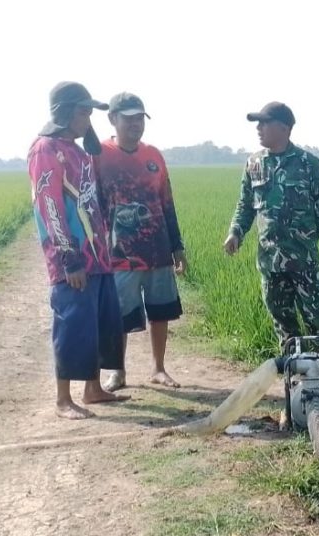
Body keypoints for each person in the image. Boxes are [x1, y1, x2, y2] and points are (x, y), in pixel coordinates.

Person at [27, 81, 131, 420]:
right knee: (72, 324)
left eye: (90, 112)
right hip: (73, 258)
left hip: (98, 255)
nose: (88, 118)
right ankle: (62, 399)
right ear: (66, 112)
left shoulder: (79, 151)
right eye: (83, 111)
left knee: (98, 324)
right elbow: (50, 206)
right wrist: (68, 257)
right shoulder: (46, 149)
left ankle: (93, 389)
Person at [223, 102, 319, 352]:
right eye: (258, 123)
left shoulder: (308, 164)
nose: (259, 128)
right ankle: (295, 375)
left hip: (303, 261)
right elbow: (246, 205)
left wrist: (306, 237)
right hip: (270, 261)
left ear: (284, 128)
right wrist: (235, 232)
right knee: (284, 325)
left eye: (264, 123)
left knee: (318, 321)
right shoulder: (254, 164)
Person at [96, 92, 186, 391]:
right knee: (119, 315)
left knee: (161, 311)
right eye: (129, 118)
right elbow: (91, 205)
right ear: (113, 119)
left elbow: (167, 202)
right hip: (120, 254)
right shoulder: (99, 155)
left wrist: (177, 247)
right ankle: (117, 372)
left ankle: (159, 368)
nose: (136, 124)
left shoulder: (154, 156)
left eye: (140, 118)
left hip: (157, 250)